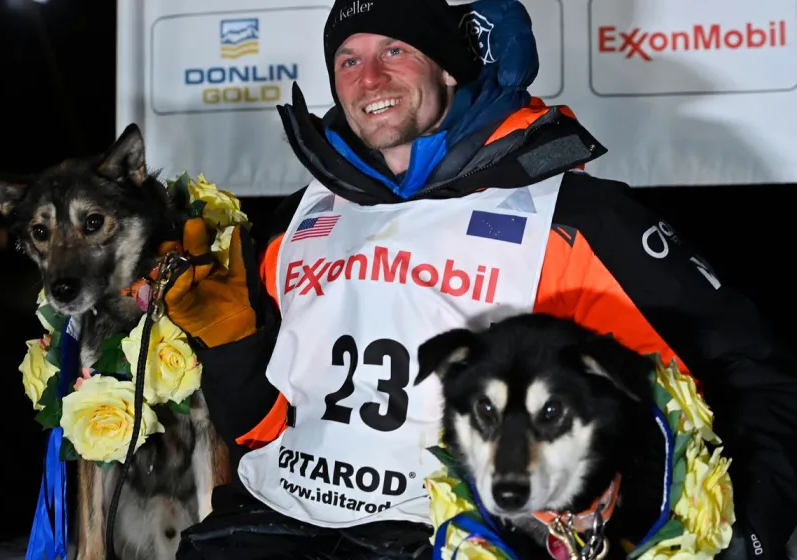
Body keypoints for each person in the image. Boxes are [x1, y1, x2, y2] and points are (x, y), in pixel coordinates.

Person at [164, 0, 797, 558]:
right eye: (348, 60)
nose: (371, 77)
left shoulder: (570, 216)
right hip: (275, 525)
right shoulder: (299, 219)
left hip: (459, 537)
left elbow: (753, 370)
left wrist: (750, 529)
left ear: (446, 68)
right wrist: (233, 349)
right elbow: (264, 427)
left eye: (395, 50)